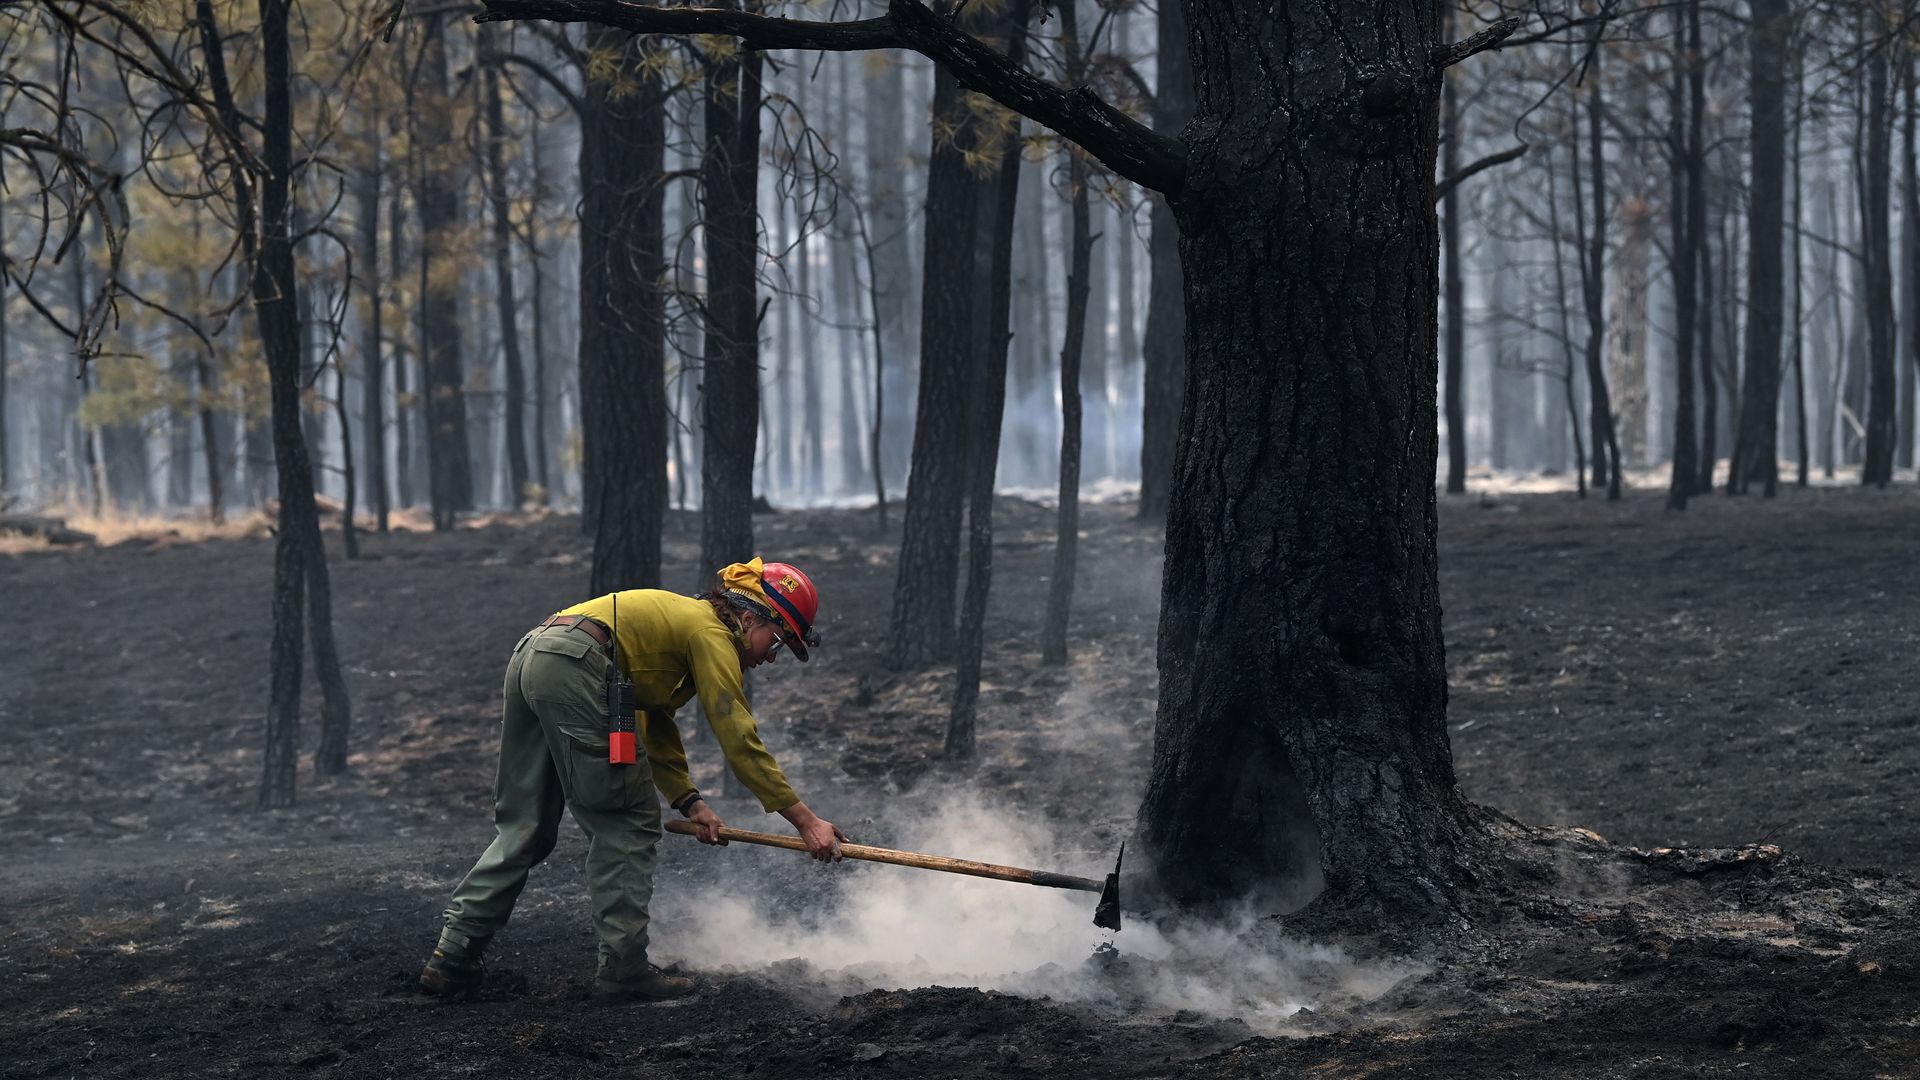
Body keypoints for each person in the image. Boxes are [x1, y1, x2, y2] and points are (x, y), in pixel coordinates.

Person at [418, 558, 848, 1001]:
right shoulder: (711, 635)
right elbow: (738, 736)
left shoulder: (684, 626)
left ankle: (452, 958)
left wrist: (690, 802)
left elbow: (653, 720)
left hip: (538, 652)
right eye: (775, 642)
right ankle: (624, 973)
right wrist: (805, 821)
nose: (769, 659)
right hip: (577, 665)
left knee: (526, 826)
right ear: (749, 616)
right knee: (627, 822)